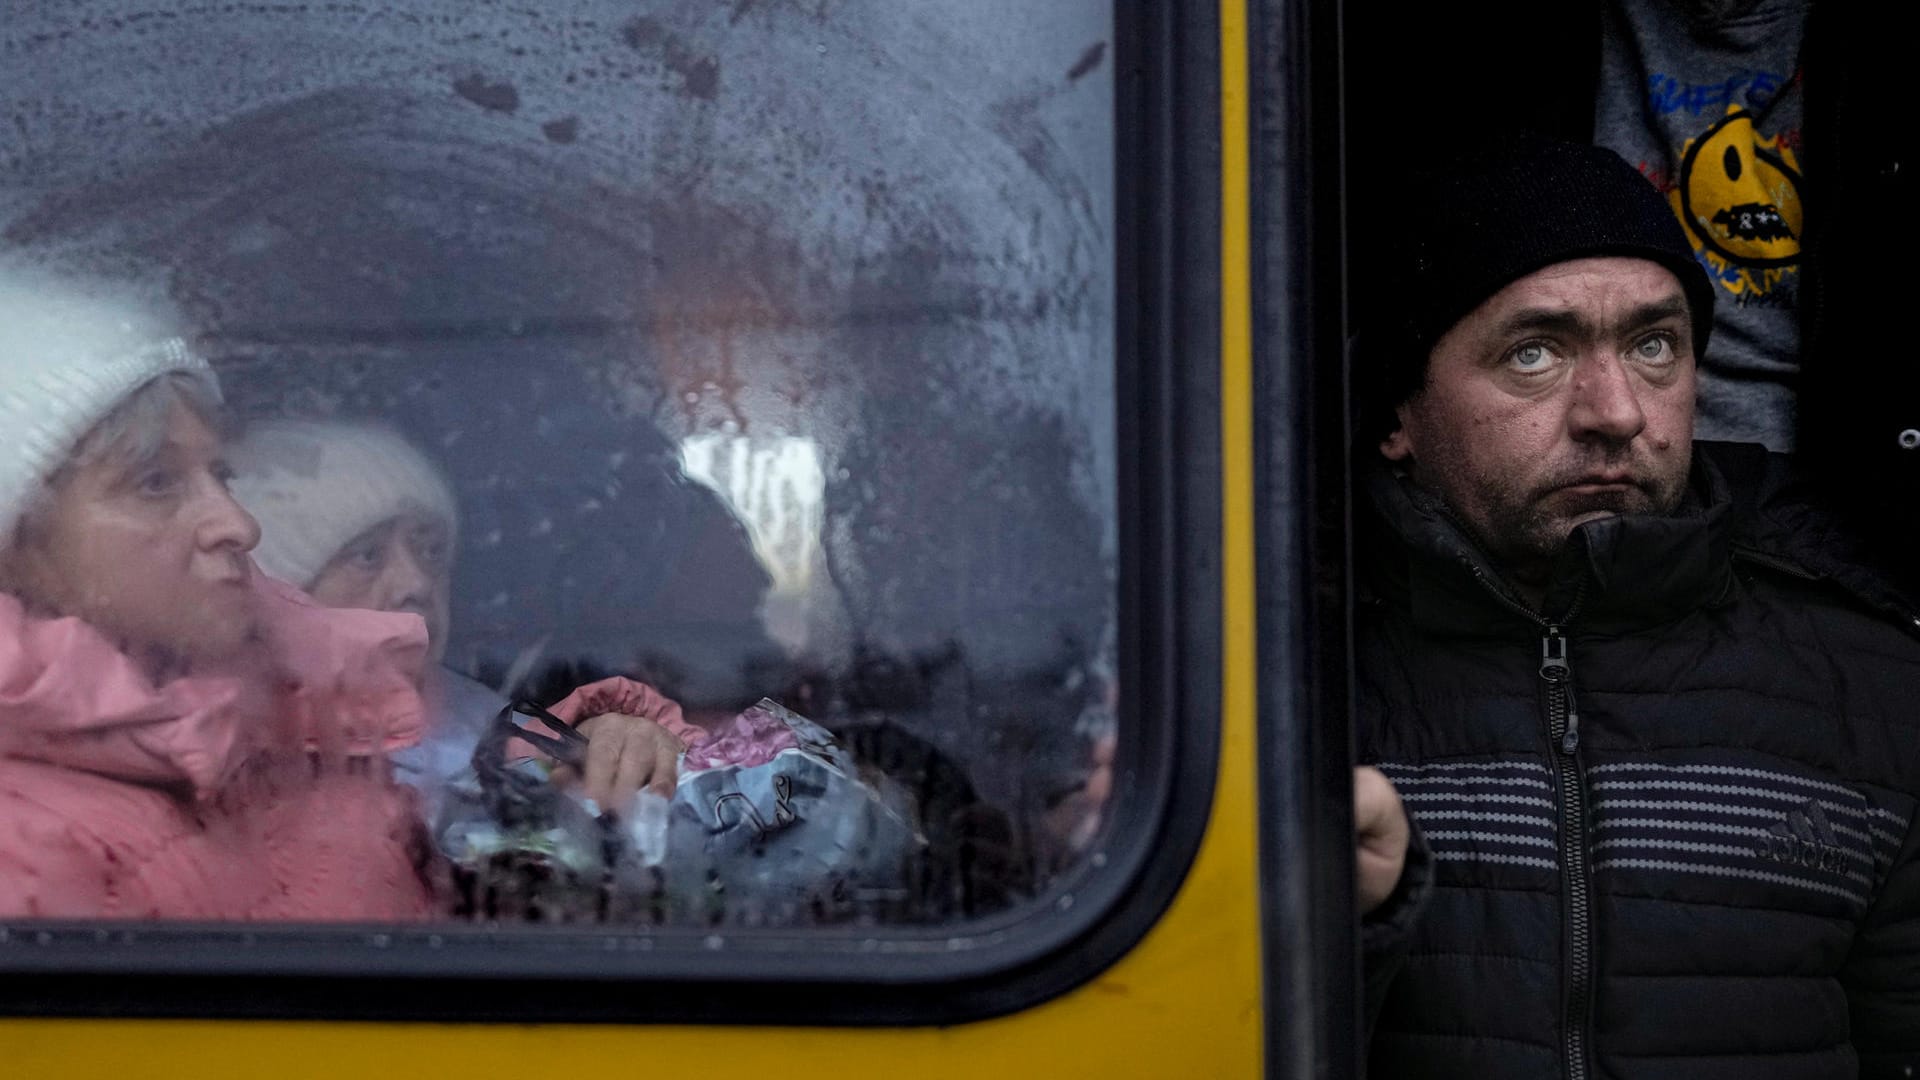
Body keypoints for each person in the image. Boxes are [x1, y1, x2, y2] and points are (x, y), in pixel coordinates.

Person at [1350, 137, 1920, 1077]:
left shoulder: (1872, 687)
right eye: (1535, 353)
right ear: (1397, 417)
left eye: (1655, 345)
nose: (1615, 411)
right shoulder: (1288, 684)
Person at [0, 271, 437, 920]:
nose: (239, 524)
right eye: (156, 483)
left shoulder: (278, 722)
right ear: (18, 543)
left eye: (219, 474)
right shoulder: (24, 842)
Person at [225, 418, 703, 823]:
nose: (416, 581)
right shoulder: (218, 749)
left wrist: (622, 757)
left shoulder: (489, 721)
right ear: (278, 588)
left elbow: (620, 834)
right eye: (367, 557)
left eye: (431, 551)